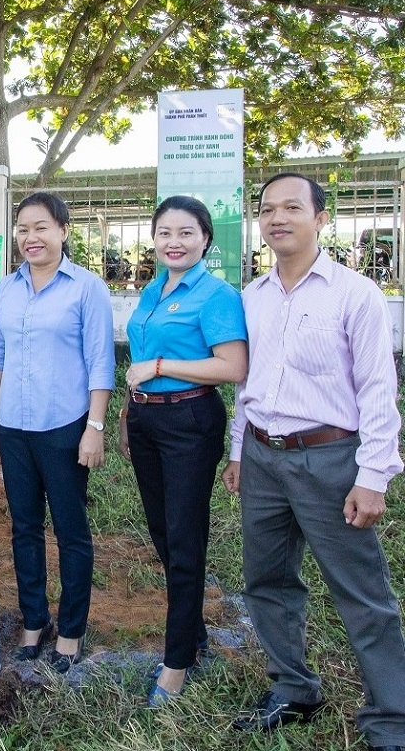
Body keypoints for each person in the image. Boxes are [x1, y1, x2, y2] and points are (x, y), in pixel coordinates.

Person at [222, 173, 405, 750]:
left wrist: (373, 476)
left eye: (292, 207)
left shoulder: (356, 295)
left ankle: (392, 718)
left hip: (329, 458)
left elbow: (378, 389)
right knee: (267, 581)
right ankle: (293, 688)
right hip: (263, 457)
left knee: (361, 591)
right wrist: (237, 453)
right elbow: (243, 384)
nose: (278, 218)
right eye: (268, 209)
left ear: (320, 218)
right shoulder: (251, 297)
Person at [119, 195, 247, 706]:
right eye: (165, 233)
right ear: (154, 239)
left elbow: (231, 367)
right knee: (163, 532)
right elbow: (140, 359)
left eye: (186, 233)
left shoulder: (216, 294)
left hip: (190, 420)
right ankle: (192, 635)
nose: (174, 242)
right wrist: (132, 413)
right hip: (148, 418)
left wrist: (159, 367)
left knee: (185, 534)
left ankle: (176, 663)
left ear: (205, 239)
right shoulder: (152, 289)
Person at [0, 191, 114, 673]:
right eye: (22, 229)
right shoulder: (9, 288)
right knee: (24, 528)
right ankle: (34, 621)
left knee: (71, 529)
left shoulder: (86, 288)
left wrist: (93, 427)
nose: (30, 237)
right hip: (14, 426)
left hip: (64, 427)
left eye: (40, 227)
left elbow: (101, 361)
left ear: (63, 231)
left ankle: (72, 630)